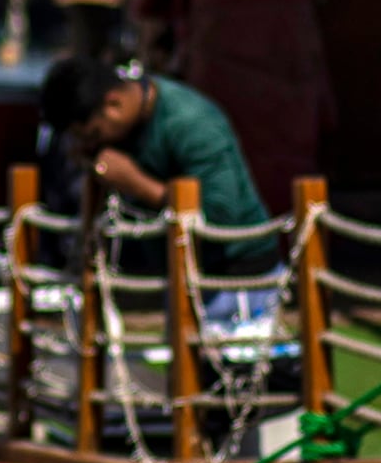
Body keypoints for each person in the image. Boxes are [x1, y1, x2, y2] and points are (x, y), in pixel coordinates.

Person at [38, 44, 285, 355]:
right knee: (187, 389)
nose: (91, 144)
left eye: (91, 134)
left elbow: (219, 215)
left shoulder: (190, 122)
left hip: (238, 279)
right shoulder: (124, 127)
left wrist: (136, 183)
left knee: (232, 391)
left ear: (113, 104)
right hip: (184, 276)